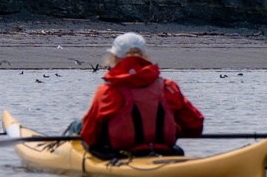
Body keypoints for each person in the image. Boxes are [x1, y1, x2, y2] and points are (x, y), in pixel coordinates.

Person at [72, 32, 205, 156]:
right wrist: (172, 130)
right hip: (163, 152)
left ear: (114, 57)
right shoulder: (168, 87)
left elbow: (89, 136)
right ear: (145, 56)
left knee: (77, 127)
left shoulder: (107, 91)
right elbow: (195, 126)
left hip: (121, 156)